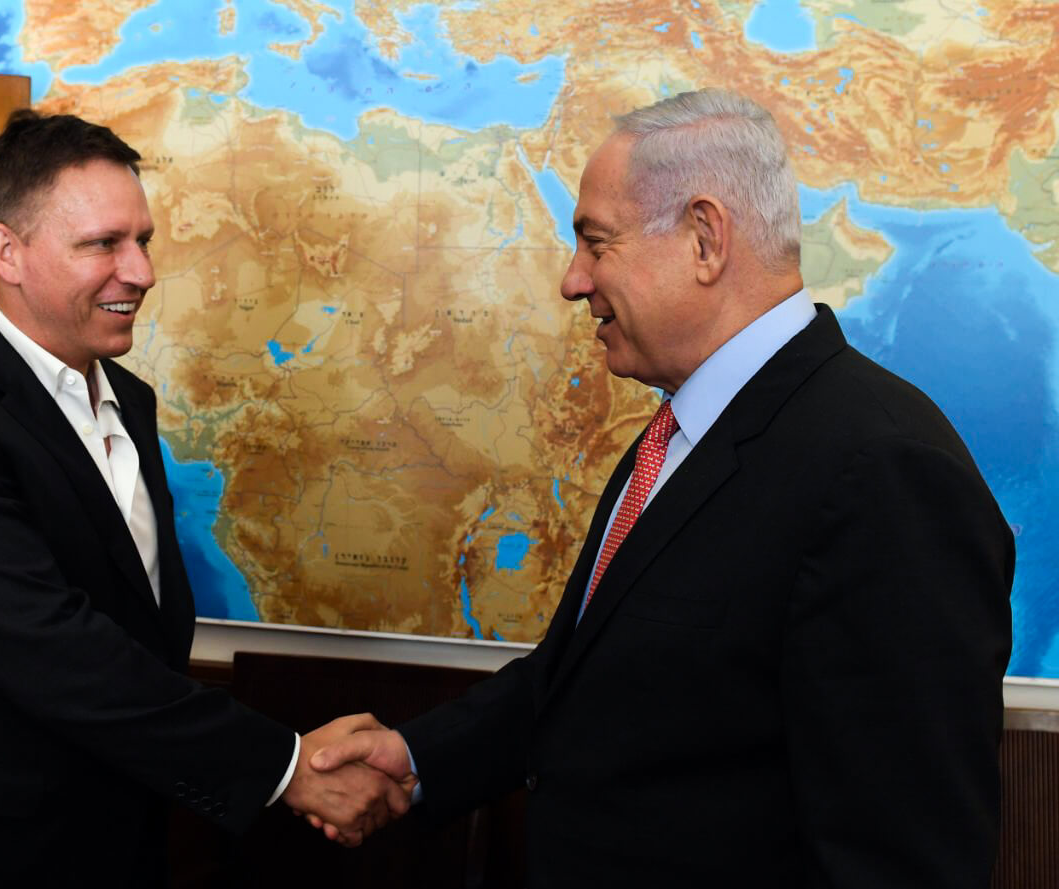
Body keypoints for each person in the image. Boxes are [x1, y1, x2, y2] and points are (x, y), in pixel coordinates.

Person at [311, 89, 1015, 887]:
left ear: (704, 238)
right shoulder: (681, 434)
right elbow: (583, 680)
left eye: (595, 242)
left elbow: (904, 855)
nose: (573, 281)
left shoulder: (883, 470)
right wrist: (413, 757)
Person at [0, 110, 407, 889]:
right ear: (7, 252)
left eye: (144, 240)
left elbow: (140, 627)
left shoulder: (131, 398)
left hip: (108, 840)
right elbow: (52, 649)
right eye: (103, 244)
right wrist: (287, 765)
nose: (142, 271)